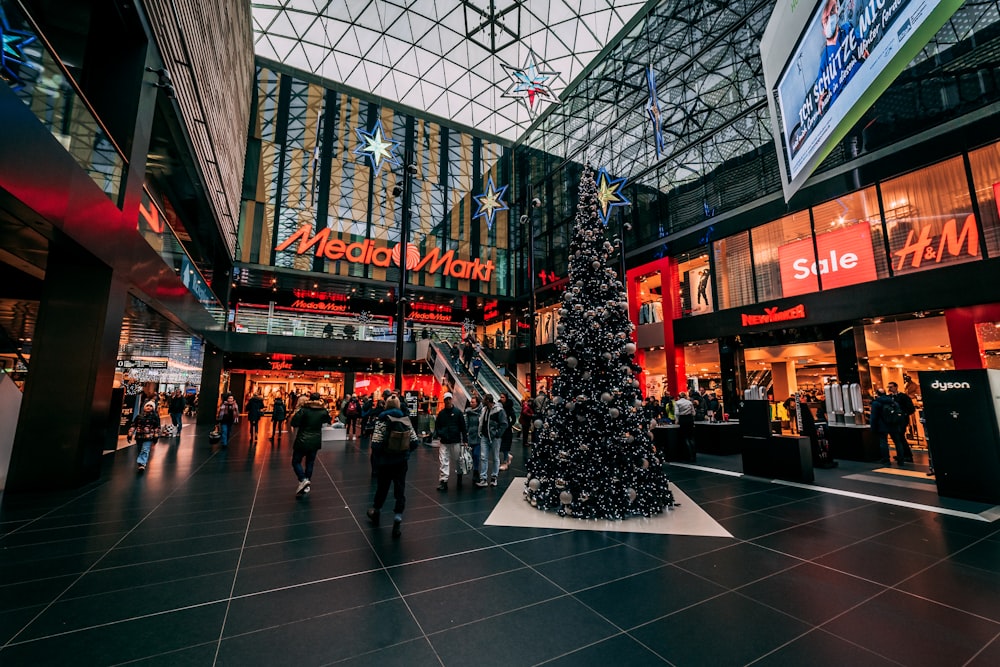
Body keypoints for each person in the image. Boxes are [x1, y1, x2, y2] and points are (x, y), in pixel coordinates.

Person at [367, 395, 419, 538]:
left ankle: (376, 511)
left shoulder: (381, 420)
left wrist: (380, 457)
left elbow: (376, 444)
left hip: (385, 462)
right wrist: (404, 452)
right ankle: (397, 518)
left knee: (382, 488)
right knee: (400, 489)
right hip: (401, 462)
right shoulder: (406, 420)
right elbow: (415, 442)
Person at [290, 392, 332, 496]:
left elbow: (294, 422)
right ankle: (306, 484)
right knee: (310, 462)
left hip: (302, 439)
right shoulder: (323, 411)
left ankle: (303, 479)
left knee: (296, 461)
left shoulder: (304, 410)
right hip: (315, 440)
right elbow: (328, 420)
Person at [434, 392, 467, 491]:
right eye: (446, 399)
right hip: (445, 441)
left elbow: (463, 427)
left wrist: (465, 439)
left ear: (451, 400)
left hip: (455, 440)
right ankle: (443, 481)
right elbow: (437, 426)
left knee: (458, 459)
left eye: (449, 399)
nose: (448, 401)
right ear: (444, 401)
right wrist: (440, 434)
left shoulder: (457, 413)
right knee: (443, 461)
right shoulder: (442, 414)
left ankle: (459, 475)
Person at [477, 393, 508, 487]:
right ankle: (483, 478)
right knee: (483, 457)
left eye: (484, 400)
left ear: (488, 401)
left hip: (494, 438)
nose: (482, 401)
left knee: (495, 457)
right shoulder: (484, 410)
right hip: (485, 436)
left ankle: (494, 477)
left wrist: (498, 434)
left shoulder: (499, 410)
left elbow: (504, 424)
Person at [870, 387, 906, 465]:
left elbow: (874, 417)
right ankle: (901, 459)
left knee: (883, 442)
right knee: (897, 442)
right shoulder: (893, 402)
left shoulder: (876, 403)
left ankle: (886, 459)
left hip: (882, 425)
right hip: (894, 424)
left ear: (877, 394)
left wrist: (873, 427)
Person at [887, 382, 915, 464]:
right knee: (897, 437)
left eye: (891, 387)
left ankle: (907, 455)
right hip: (894, 420)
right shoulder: (890, 397)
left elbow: (911, 408)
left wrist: (904, 414)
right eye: (889, 387)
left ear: (896, 387)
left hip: (902, 420)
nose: (890, 389)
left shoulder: (903, 397)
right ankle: (902, 454)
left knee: (900, 437)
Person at [128, 400, 160, 473]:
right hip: (139, 436)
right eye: (147, 406)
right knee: (140, 449)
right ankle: (141, 462)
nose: (149, 407)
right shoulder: (139, 416)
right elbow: (134, 425)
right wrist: (130, 433)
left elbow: (157, 427)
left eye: (151, 406)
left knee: (145, 449)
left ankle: (142, 463)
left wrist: (156, 435)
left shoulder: (155, 417)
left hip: (149, 437)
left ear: (153, 408)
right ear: (144, 407)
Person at [465, 395, 483, 482]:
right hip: (471, 435)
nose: (471, 404)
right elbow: (466, 424)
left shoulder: (482, 412)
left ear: (477, 403)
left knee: (476, 454)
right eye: (470, 402)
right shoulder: (468, 412)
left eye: (473, 402)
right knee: (471, 455)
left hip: (479, 436)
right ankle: (474, 470)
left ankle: (476, 471)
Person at [674, 392, 695, 460]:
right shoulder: (689, 402)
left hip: (683, 419)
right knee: (691, 437)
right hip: (689, 419)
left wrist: (676, 420)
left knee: (685, 437)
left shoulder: (677, 403)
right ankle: (694, 454)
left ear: (679, 396)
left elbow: (676, 413)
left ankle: (689, 455)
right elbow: (693, 413)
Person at [499, 392, 515, 469]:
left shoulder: (509, 408)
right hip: (500, 428)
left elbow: (514, 418)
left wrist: (509, 425)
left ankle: (505, 461)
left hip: (506, 429)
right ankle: (507, 457)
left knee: (505, 446)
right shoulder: (499, 407)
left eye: (503, 397)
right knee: (500, 446)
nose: (501, 399)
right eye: (501, 397)